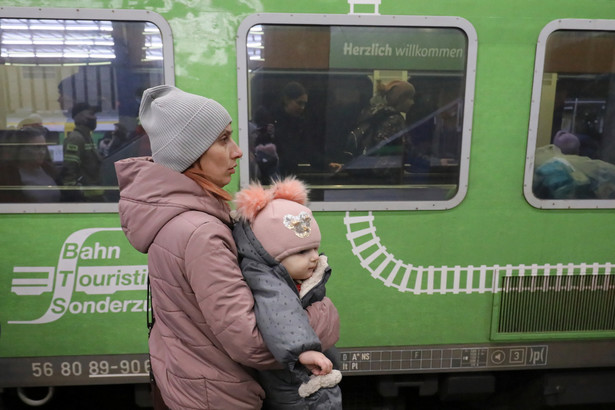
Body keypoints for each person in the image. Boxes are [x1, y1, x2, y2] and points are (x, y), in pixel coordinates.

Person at [114, 85, 340, 410]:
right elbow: (252, 344)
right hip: (219, 396)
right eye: (223, 139)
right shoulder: (201, 231)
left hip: (193, 382)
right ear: (189, 152)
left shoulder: (177, 216)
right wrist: (325, 313)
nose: (237, 151)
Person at [233, 177, 343, 409]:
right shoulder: (268, 280)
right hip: (294, 379)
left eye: (314, 248)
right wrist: (303, 351)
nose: (314, 256)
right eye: (302, 251)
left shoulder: (292, 277)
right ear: (274, 257)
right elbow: (280, 310)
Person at [0, 127, 60, 203]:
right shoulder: (9, 175)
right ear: (22, 149)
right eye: (36, 147)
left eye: (44, 147)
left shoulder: (48, 169)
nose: (42, 152)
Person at [273, 81, 316, 177]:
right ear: (286, 99)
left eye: (304, 104)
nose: (302, 107)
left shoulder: (301, 123)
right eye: (299, 103)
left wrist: (327, 164)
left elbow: (308, 150)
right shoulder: (273, 122)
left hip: (295, 172)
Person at [60, 102, 102, 201]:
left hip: (94, 197)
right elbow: (69, 169)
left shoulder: (87, 138)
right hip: (85, 199)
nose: (95, 118)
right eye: (91, 114)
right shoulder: (76, 139)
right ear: (78, 117)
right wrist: (74, 195)